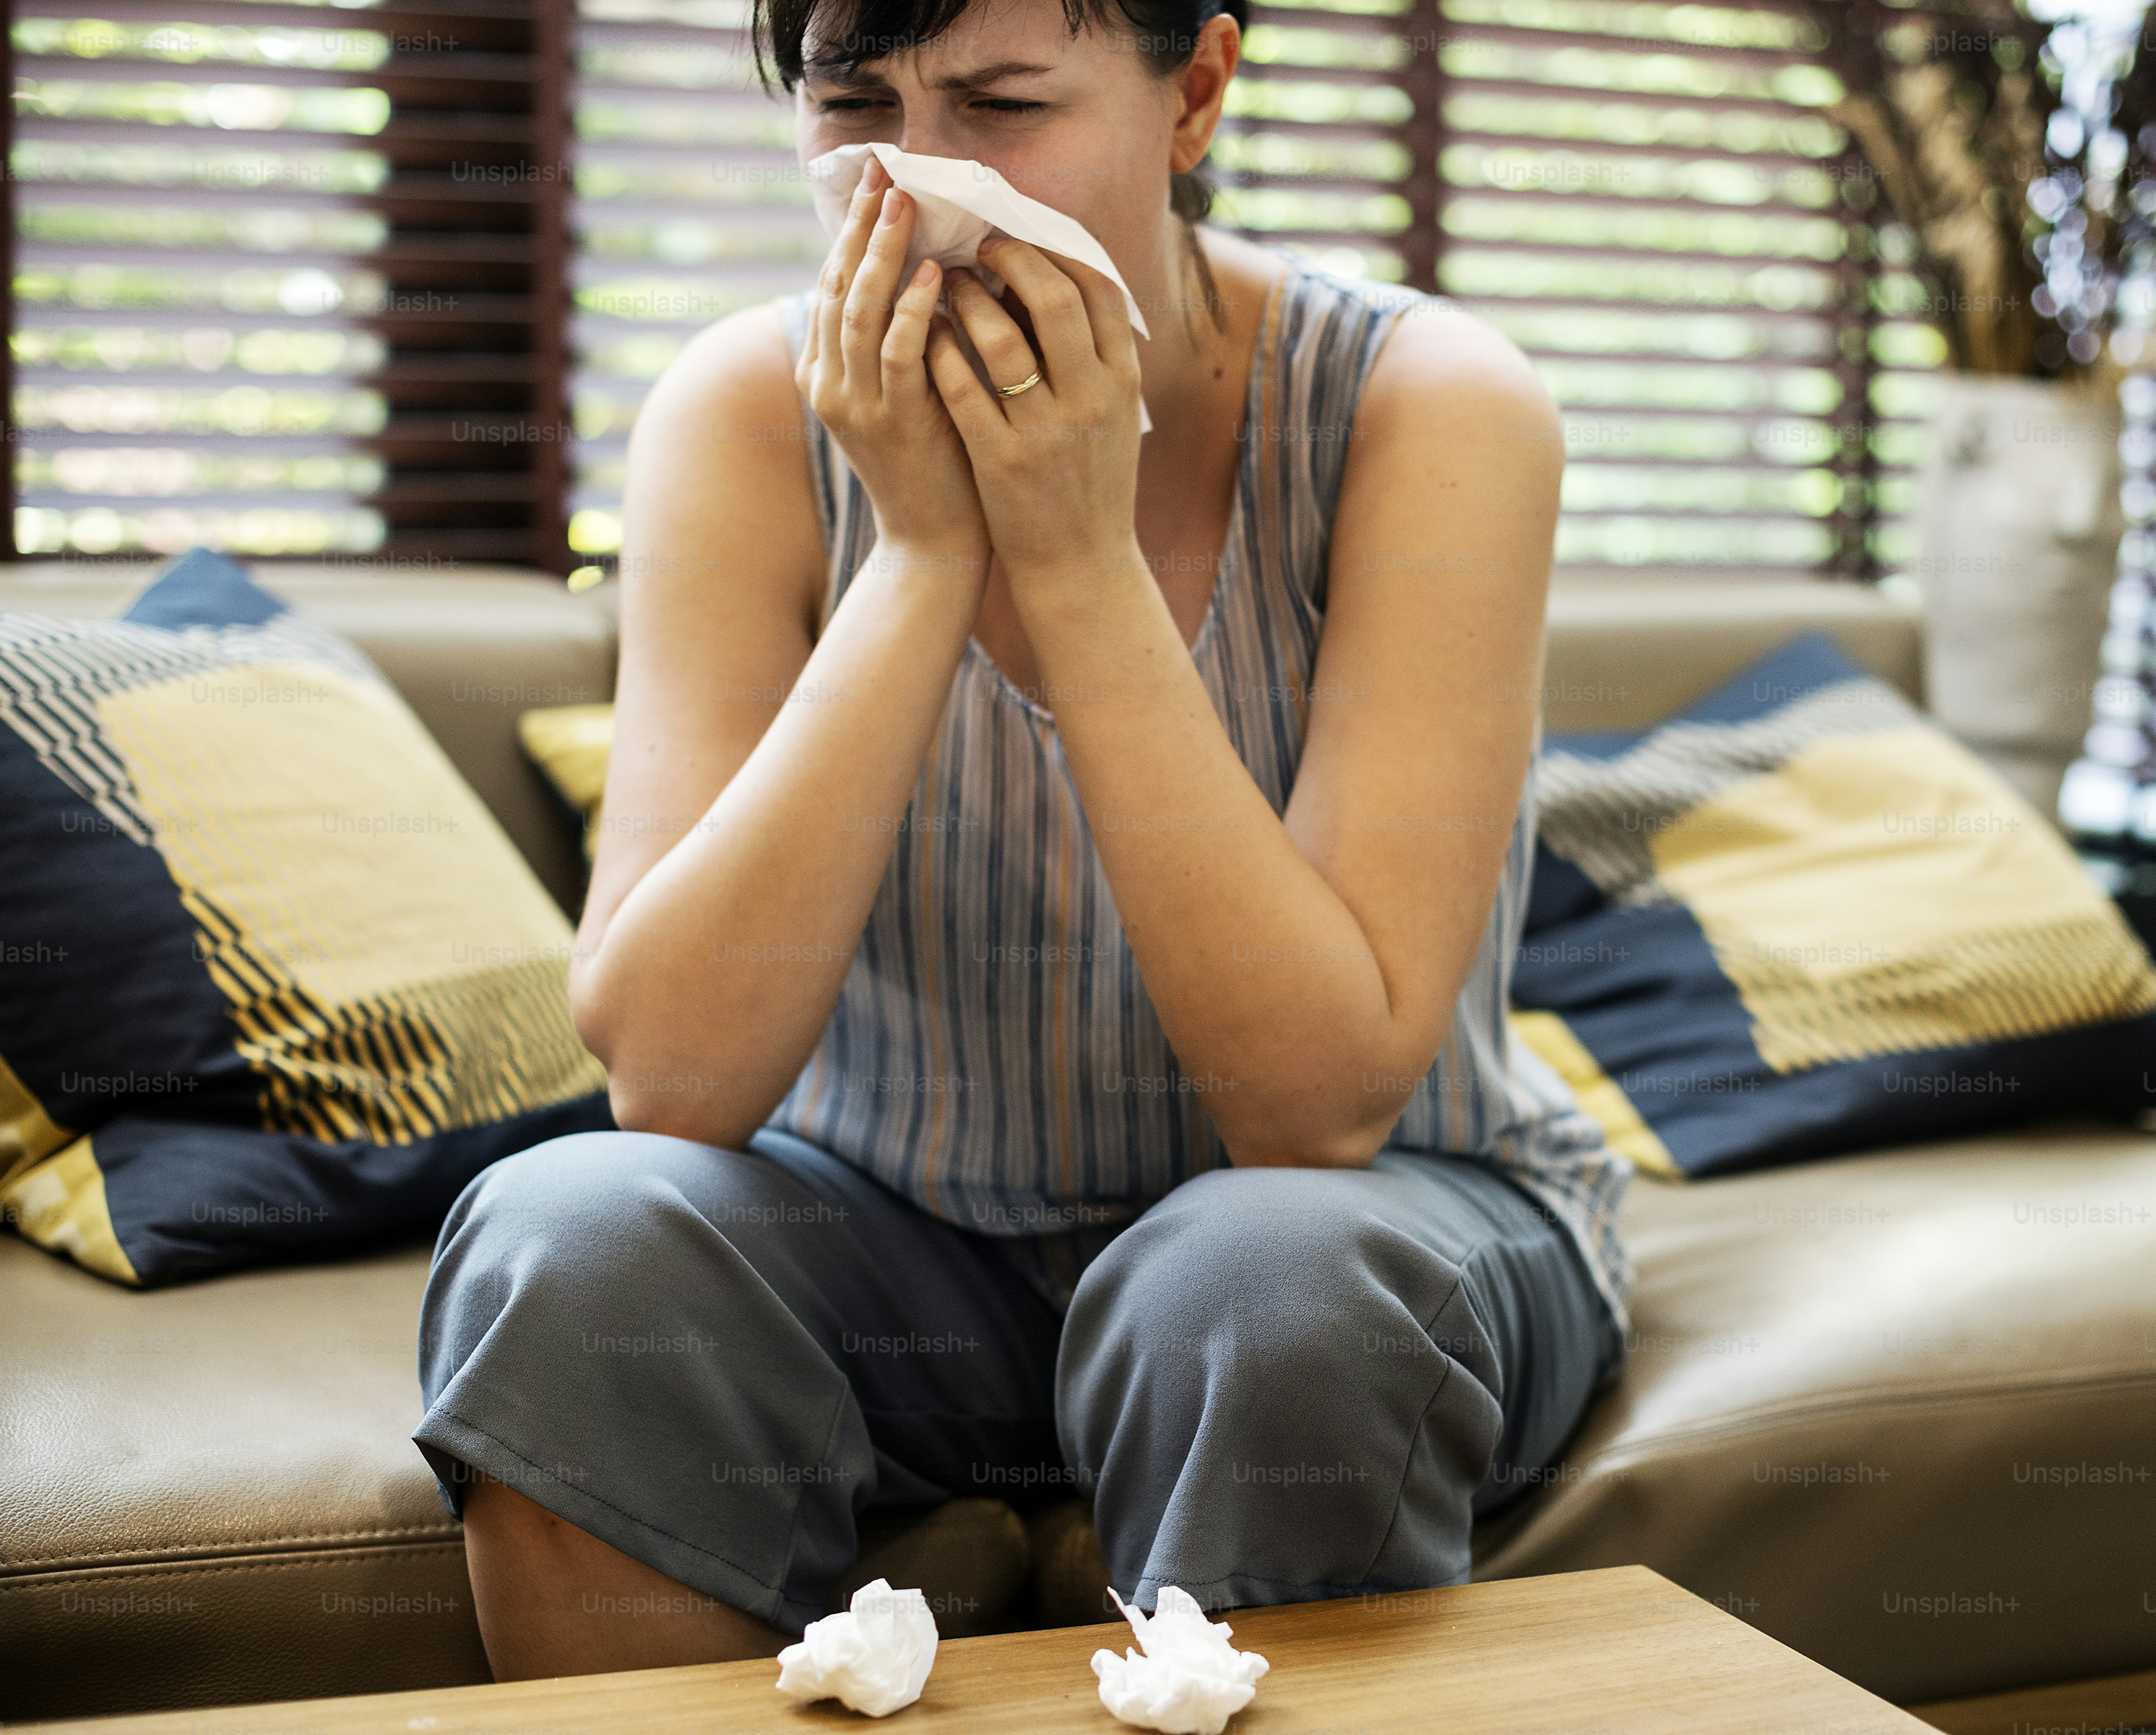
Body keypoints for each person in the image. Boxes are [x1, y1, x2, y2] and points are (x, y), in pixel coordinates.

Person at [413, 0, 1634, 1680]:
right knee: (569, 1233)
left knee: (1261, 1282)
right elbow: (675, 1083)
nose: (913, 184)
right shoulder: (743, 414)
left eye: (1000, 102)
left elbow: (1316, 1103)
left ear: (1194, 95)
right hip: (896, 1235)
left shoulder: (1428, 408)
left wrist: (1070, 560)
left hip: (1374, 1221)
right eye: (855, 103)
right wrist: (920, 552)